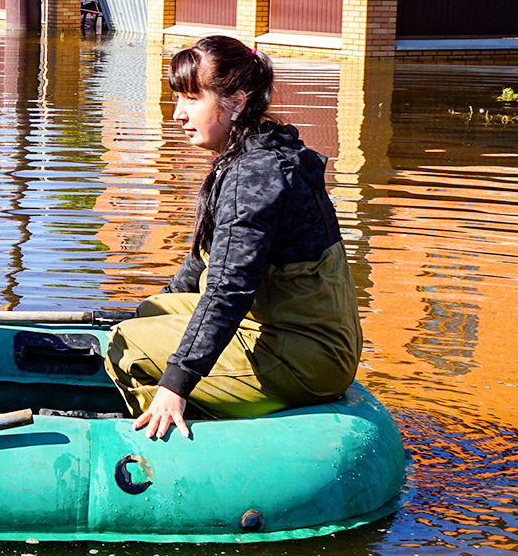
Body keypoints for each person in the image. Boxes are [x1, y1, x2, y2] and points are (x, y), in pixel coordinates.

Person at [104, 34, 362, 439]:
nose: (177, 114)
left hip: (306, 356)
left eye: (191, 99)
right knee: (151, 312)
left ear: (237, 102)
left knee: (128, 345)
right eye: (178, 99)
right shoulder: (254, 153)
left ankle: (163, 434)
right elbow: (203, 263)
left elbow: (229, 289)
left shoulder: (253, 175)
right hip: (293, 333)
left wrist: (176, 382)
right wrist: (150, 309)